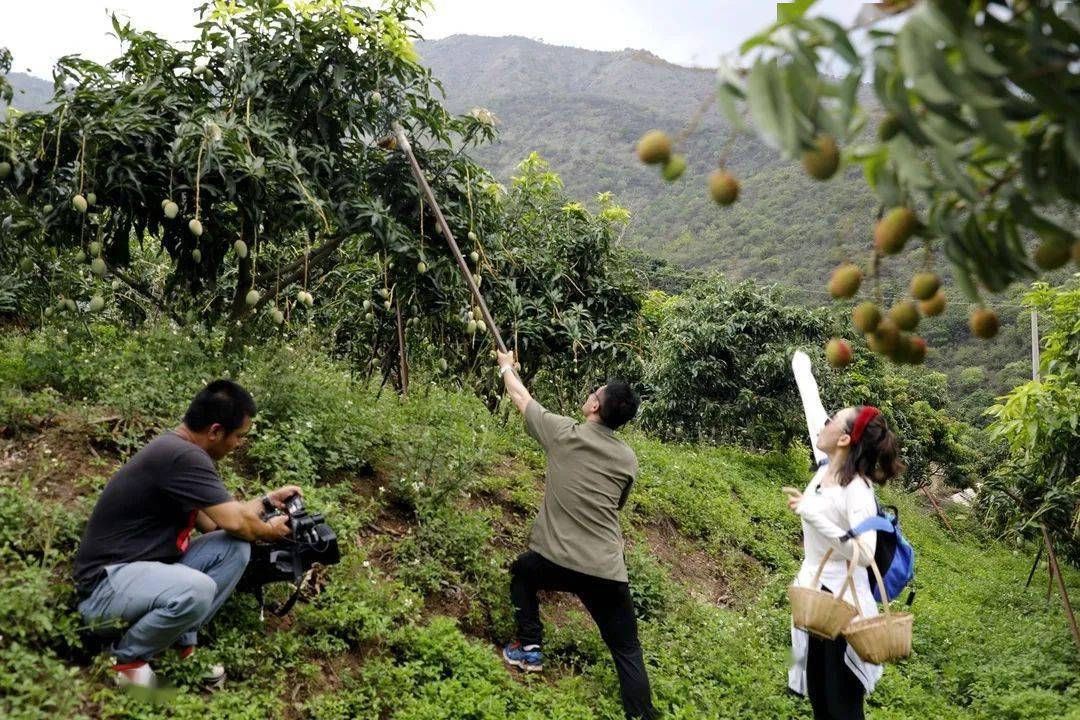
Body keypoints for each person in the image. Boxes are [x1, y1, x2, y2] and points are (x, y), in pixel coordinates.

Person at [72, 379, 302, 689]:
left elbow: (215, 524)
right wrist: (270, 531)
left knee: (234, 549)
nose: (238, 444)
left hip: (139, 579)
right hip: (103, 592)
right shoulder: (181, 456)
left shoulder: (185, 452)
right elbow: (236, 523)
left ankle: (179, 644)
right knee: (199, 587)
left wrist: (265, 502)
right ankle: (126, 661)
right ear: (215, 431)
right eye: (238, 436)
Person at [495, 350, 658, 720]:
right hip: (606, 571)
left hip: (558, 561)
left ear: (595, 405)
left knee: (523, 572)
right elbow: (616, 505)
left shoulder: (563, 433)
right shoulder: (627, 458)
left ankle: (529, 646)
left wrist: (506, 365)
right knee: (628, 650)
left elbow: (521, 398)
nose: (591, 393)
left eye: (595, 391)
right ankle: (642, 715)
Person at [783, 351, 903, 720]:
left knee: (842, 709)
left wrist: (813, 514)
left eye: (834, 420)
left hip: (844, 615)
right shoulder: (827, 468)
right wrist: (801, 366)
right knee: (822, 702)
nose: (825, 423)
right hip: (818, 606)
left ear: (846, 439)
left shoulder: (857, 491)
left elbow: (865, 553)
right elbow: (813, 409)